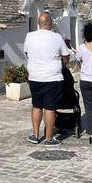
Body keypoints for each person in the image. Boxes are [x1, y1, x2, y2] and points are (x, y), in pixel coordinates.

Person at [23, 12, 70, 146]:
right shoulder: (57, 37)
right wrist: (63, 63)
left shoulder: (29, 36)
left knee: (37, 105)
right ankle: (49, 138)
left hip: (35, 76)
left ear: (39, 24)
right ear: (50, 23)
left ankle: (35, 135)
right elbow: (65, 55)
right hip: (52, 77)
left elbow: (27, 52)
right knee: (50, 108)